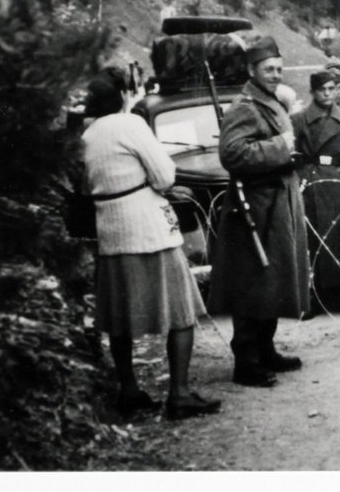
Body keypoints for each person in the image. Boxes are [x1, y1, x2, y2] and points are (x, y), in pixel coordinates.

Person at [81, 72, 221, 421]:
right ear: (123, 96)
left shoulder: (86, 136)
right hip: (148, 227)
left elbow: (84, 188)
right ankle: (179, 393)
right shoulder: (131, 125)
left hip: (111, 231)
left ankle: (129, 390)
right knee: (181, 311)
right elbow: (165, 176)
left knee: (120, 317)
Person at [210, 36, 310, 388]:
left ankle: (266, 350)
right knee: (253, 281)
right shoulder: (245, 106)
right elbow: (232, 154)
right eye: (269, 69)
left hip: (277, 201)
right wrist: (279, 146)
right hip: (255, 205)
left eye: (279, 69)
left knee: (273, 279)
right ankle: (246, 361)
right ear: (252, 70)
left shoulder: (270, 101)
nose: (275, 74)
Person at [293, 68, 340, 314]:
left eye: (332, 89)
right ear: (312, 92)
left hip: (338, 183)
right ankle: (311, 297)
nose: (327, 94)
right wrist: (300, 181)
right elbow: (295, 155)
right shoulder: (299, 120)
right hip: (310, 182)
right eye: (322, 90)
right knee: (312, 240)